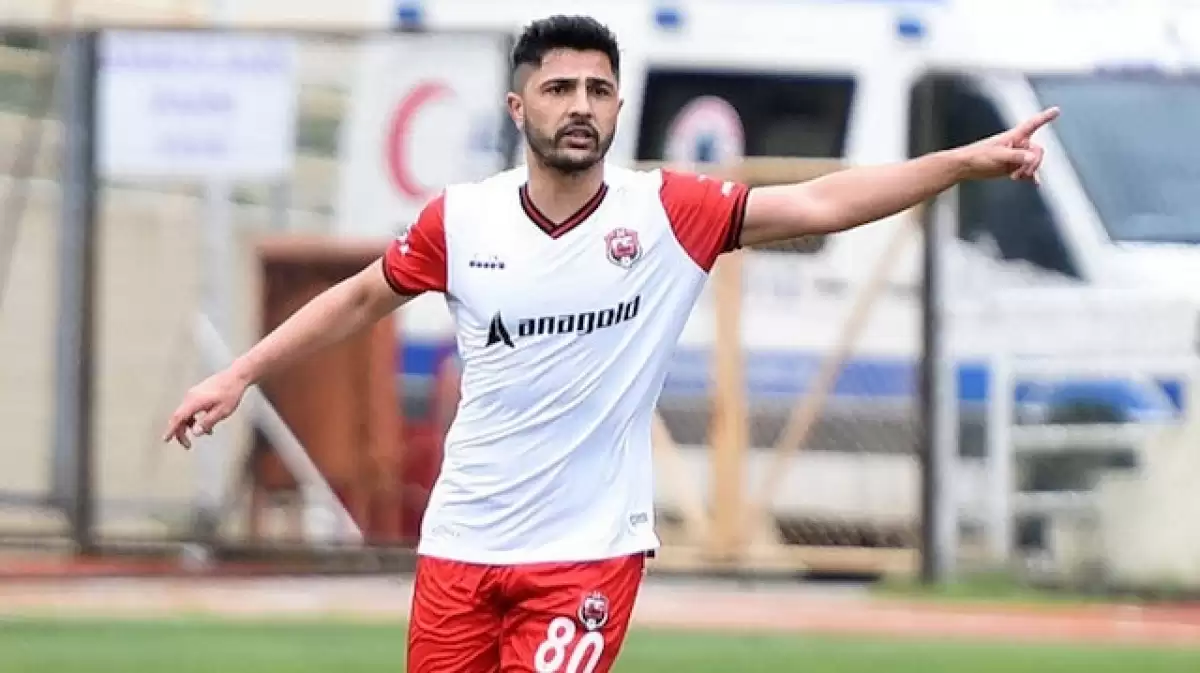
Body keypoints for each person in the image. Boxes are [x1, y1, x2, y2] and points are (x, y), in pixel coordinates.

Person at [162, 14, 1058, 673]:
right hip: (462, 543)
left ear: (620, 104)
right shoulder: (462, 220)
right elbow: (362, 295)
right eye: (560, 89)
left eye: (597, 90)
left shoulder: (666, 211)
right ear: (518, 106)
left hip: (585, 552)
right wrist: (239, 373)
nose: (580, 107)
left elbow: (822, 203)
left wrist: (963, 161)